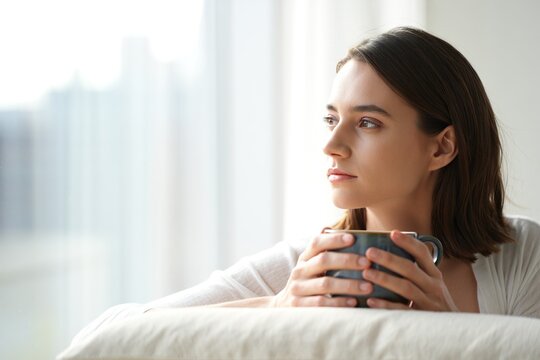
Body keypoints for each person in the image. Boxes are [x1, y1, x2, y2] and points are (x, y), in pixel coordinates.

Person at [70, 26, 540, 344]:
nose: (332, 145)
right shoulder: (304, 270)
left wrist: (451, 337)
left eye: (368, 123)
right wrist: (276, 308)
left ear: (441, 148)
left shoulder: (524, 257)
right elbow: (107, 337)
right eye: (331, 119)